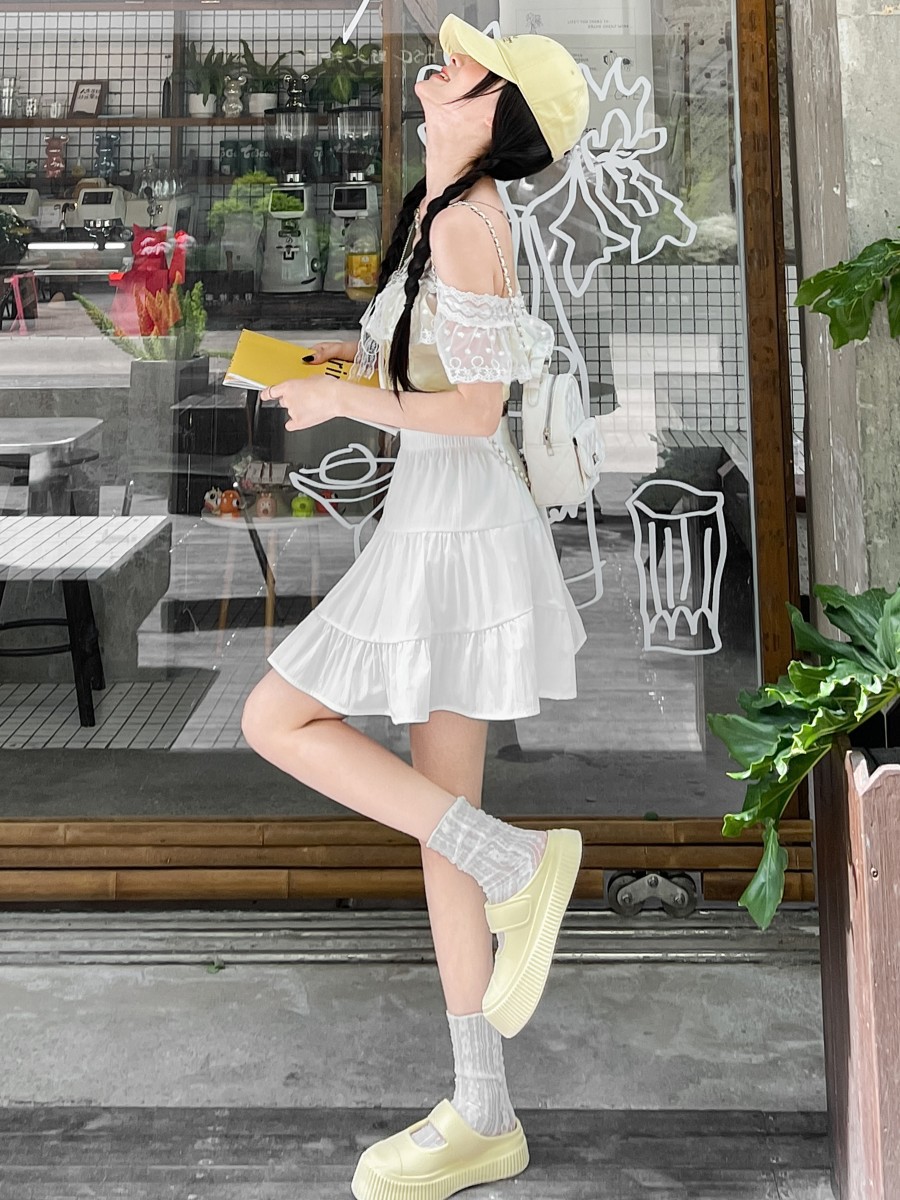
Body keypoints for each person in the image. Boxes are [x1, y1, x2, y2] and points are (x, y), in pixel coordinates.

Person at [242, 16, 591, 1199]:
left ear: (496, 113)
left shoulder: (460, 224)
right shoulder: (442, 214)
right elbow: (431, 377)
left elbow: (475, 409)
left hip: (452, 531)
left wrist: (352, 405)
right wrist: (327, 378)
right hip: (442, 524)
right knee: (441, 826)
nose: (441, 66)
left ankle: (519, 863)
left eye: (466, 67)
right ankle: (484, 1113)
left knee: (276, 720)